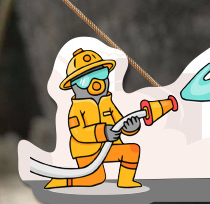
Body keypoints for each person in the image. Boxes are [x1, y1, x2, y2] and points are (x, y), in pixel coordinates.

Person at [45, 48, 142, 189]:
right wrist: (103, 132)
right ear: (74, 86)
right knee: (95, 178)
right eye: (85, 81)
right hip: (87, 151)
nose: (96, 82)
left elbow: (120, 122)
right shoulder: (76, 109)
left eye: (100, 74)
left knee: (131, 151)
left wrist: (131, 128)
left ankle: (126, 180)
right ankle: (63, 181)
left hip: (109, 147)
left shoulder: (108, 103)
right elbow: (78, 132)